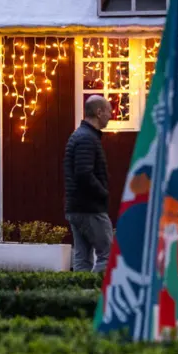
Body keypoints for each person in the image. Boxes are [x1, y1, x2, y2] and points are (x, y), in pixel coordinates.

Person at [64, 95, 114, 273]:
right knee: (108, 256)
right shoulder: (87, 138)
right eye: (109, 111)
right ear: (99, 112)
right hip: (90, 208)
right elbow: (84, 174)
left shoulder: (80, 135)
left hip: (76, 207)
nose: (111, 115)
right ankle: (96, 297)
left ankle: (80, 297)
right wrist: (103, 193)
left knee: (82, 258)